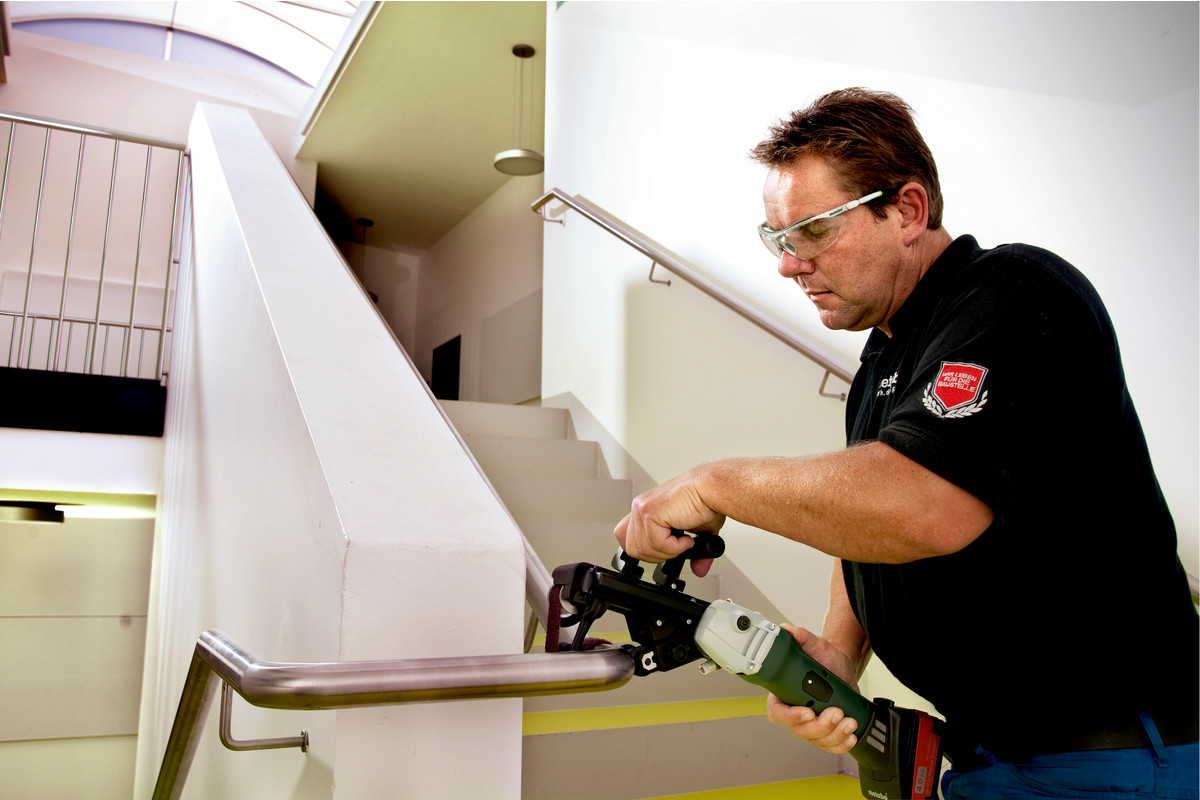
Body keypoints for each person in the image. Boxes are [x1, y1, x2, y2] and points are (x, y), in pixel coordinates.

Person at [614, 88, 1198, 798]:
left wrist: (714, 485)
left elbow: (922, 506)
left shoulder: (1014, 293)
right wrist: (840, 650)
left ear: (909, 211)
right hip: (989, 756)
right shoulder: (881, 362)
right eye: (779, 239)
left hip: (1114, 760)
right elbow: (864, 517)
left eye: (814, 231)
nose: (790, 265)